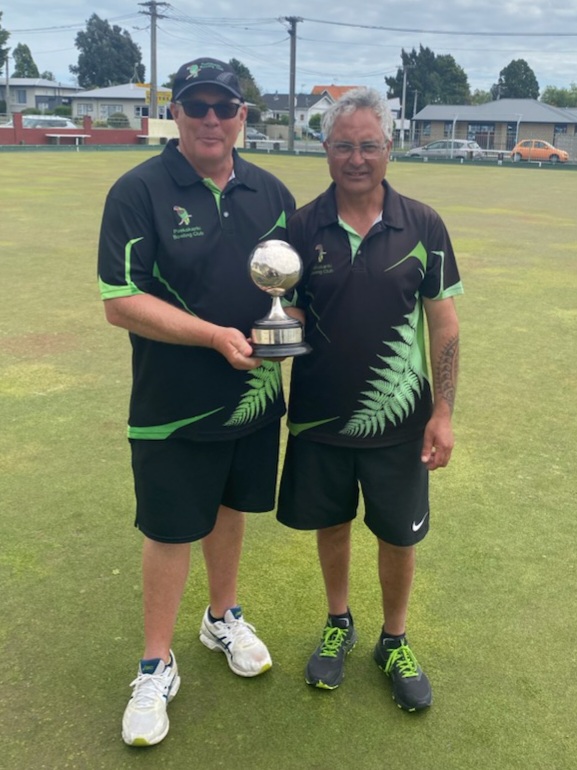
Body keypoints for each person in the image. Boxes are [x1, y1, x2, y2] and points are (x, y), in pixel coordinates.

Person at [97, 57, 295, 746]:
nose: (211, 119)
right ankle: (155, 664)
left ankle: (221, 618)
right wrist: (213, 336)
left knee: (229, 512)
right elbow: (120, 302)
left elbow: (287, 286)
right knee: (170, 530)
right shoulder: (138, 189)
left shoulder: (270, 191)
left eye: (224, 107)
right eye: (196, 106)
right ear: (174, 113)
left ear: (243, 115)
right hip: (170, 403)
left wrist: (284, 323)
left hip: (252, 399)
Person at [277, 87, 462, 712]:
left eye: (369, 146)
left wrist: (442, 411)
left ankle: (394, 638)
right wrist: (266, 340)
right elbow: (290, 315)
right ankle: (338, 623)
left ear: (390, 149)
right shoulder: (301, 227)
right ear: (325, 150)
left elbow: (444, 323)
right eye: (344, 146)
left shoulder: (425, 224)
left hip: (400, 421)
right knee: (332, 525)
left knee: (396, 536)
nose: (357, 158)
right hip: (320, 420)